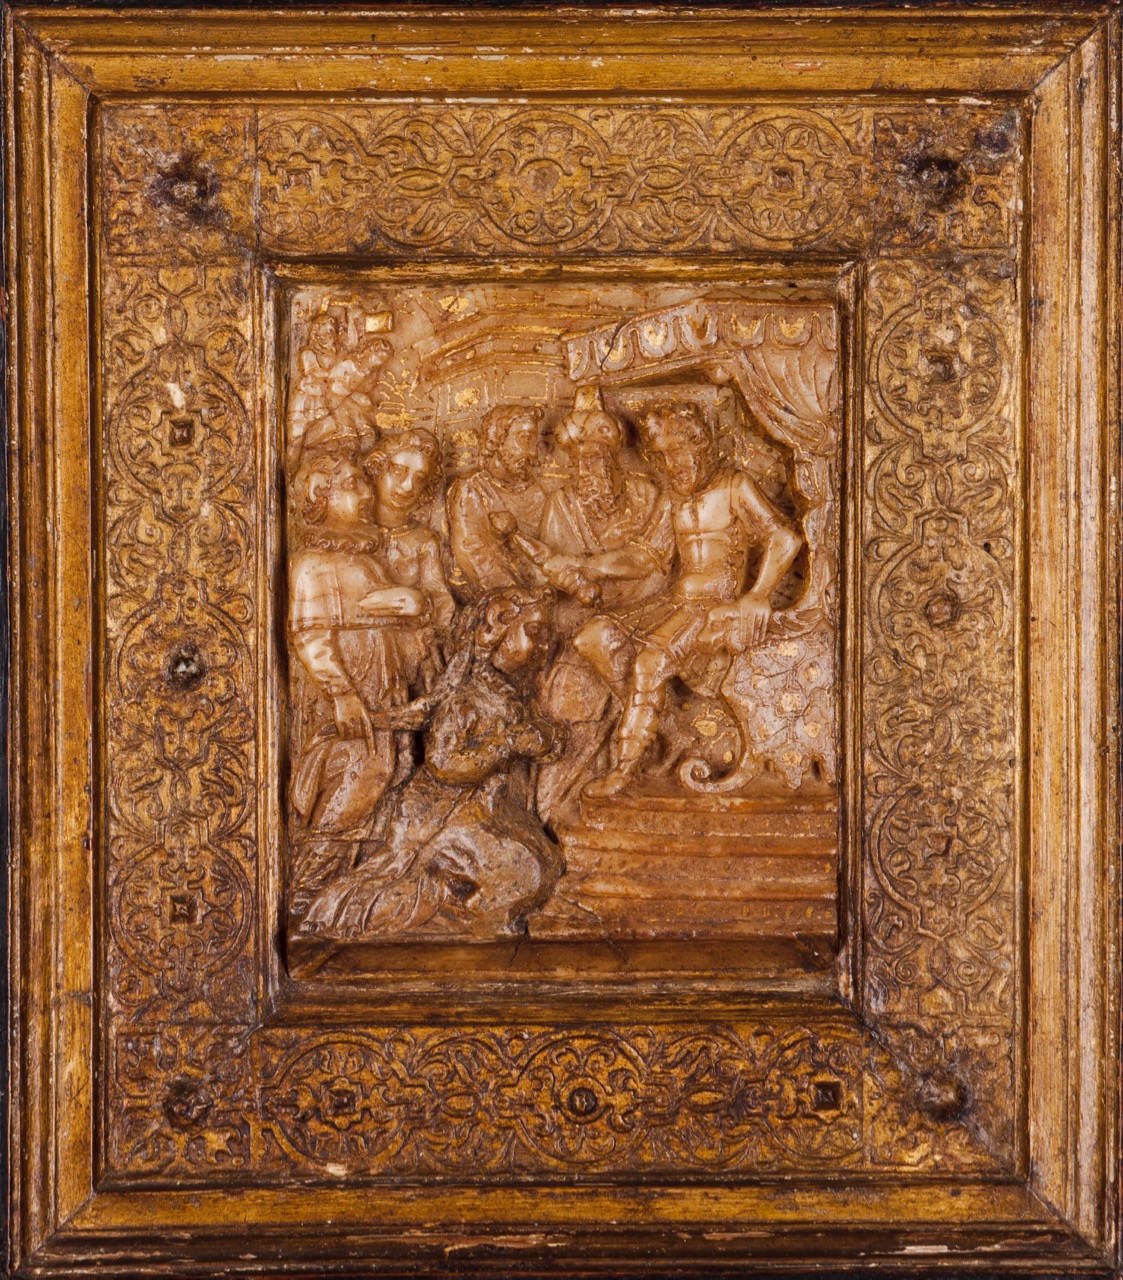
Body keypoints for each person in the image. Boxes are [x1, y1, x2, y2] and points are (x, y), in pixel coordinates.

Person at [296, 588, 566, 941]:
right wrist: (505, 745)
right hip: (438, 817)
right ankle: (455, 913)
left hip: (479, 808)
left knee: (545, 861)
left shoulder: (504, 691)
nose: (545, 646)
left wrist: (545, 738)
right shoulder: (465, 698)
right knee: (527, 869)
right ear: (496, 629)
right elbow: (443, 763)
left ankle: (476, 914)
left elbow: (537, 739)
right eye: (536, 633)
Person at [582, 399, 802, 798]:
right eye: (663, 456)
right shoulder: (674, 499)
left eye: (679, 452)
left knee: (649, 663)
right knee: (592, 636)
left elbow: (783, 537)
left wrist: (758, 595)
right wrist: (588, 567)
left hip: (715, 606)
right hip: (675, 603)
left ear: (700, 446)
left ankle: (624, 769)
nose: (672, 465)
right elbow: (646, 556)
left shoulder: (734, 487)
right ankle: (663, 725)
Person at [286, 449, 431, 914]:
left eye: (364, 483)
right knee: (359, 775)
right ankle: (309, 885)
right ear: (320, 497)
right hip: (353, 686)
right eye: (351, 485)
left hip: (382, 683)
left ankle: (352, 878)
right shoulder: (313, 562)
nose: (366, 493)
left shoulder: (361, 557)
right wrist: (342, 694)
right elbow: (310, 635)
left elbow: (377, 608)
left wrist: (412, 606)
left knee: (390, 770)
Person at [529, 387, 674, 824]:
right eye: (580, 461)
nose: (589, 469)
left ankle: (653, 744)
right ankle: (562, 811)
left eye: (598, 458)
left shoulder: (647, 494)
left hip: (652, 615)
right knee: (566, 695)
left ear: (614, 457)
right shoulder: (561, 505)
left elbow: (654, 562)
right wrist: (569, 584)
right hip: (586, 626)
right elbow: (555, 587)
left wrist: (587, 568)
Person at [366, 428, 456, 692]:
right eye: (399, 471)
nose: (408, 486)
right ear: (377, 468)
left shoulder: (423, 540)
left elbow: (442, 602)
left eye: (419, 479)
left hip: (407, 654)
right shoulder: (351, 536)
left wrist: (422, 604)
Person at [446, 405, 549, 594]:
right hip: (502, 597)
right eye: (524, 439)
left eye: (534, 442)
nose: (532, 453)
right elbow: (473, 553)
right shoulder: (472, 489)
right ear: (497, 440)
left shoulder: (537, 493)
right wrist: (515, 595)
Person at [288, 313, 392, 467]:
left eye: (333, 331)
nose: (331, 334)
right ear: (317, 333)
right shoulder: (308, 353)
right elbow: (313, 374)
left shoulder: (337, 353)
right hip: (309, 398)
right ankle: (291, 466)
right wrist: (334, 375)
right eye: (327, 330)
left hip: (332, 397)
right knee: (297, 436)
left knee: (354, 426)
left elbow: (351, 345)